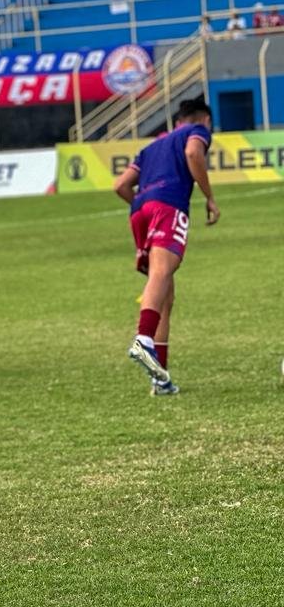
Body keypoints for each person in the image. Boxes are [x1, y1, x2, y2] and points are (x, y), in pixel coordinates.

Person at [113, 96, 219, 397]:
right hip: (168, 205)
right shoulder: (197, 131)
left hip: (140, 210)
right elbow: (193, 153)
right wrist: (209, 197)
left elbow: (120, 185)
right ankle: (143, 338)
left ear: (176, 121)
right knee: (162, 272)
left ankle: (160, 379)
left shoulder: (152, 146)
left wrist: (144, 205)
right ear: (205, 120)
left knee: (165, 294)